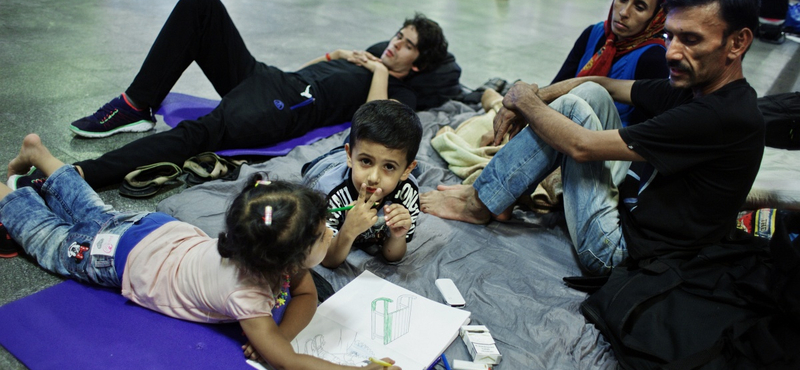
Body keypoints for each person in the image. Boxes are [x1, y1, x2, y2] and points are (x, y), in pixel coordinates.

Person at [0, 134, 401, 370]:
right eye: (321, 234)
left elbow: (306, 293)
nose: (330, 233)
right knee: (49, 238)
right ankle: (4, 195)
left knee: (93, 210)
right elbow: (287, 362)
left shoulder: (271, 245)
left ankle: (41, 156)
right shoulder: (247, 293)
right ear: (290, 260)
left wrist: (278, 333)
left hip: (155, 231)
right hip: (118, 258)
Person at [421, 0, 763, 276]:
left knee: (569, 114)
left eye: (690, 40)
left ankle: (480, 203)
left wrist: (523, 99)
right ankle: (496, 193)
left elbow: (581, 147)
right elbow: (603, 84)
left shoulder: (719, 116)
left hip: (621, 251)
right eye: (671, 36)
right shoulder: (697, 87)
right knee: (582, 95)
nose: (672, 52)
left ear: (737, 43)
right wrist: (530, 97)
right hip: (633, 203)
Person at [10, 0, 448, 193]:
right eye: (398, 35)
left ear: (419, 62)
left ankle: (78, 174)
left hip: (276, 110)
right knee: (202, 7)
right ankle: (137, 105)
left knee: (193, 136)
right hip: (266, 77)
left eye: (407, 45)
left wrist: (377, 70)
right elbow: (307, 71)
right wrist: (335, 54)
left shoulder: (398, 91)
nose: (394, 45)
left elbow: (372, 118)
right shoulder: (366, 58)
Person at [430, 0, 667, 198]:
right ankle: (490, 190)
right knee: (507, 117)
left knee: (577, 97)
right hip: (566, 128)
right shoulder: (595, 33)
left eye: (639, 6)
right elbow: (555, 89)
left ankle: (486, 194)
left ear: (655, 17)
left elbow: (636, 139)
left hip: (602, 150)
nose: (624, 12)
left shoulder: (653, 57)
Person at [301, 100, 422, 268]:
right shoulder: (329, 193)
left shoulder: (407, 192)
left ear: (407, 170)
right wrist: (348, 230)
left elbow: (392, 256)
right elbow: (328, 260)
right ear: (349, 156)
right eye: (366, 161)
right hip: (326, 167)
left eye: (389, 166)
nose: (373, 178)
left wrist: (398, 236)